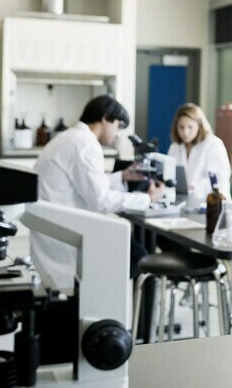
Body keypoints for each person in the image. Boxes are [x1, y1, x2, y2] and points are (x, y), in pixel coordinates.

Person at [31, 95, 165, 288]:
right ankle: (100, 297)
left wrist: (122, 177)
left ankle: (101, 296)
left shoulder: (71, 137)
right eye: (118, 126)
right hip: (67, 234)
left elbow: (82, 185)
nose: (118, 134)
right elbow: (100, 200)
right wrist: (147, 198)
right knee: (137, 256)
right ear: (105, 118)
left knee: (133, 250)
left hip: (54, 227)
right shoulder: (86, 144)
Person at [166, 103, 231, 203]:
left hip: (211, 204)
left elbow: (219, 181)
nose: (185, 132)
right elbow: (169, 176)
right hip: (184, 202)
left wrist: (194, 187)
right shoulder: (175, 147)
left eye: (190, 127)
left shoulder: (213, 144)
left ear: (199, 125)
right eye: (181, 127)